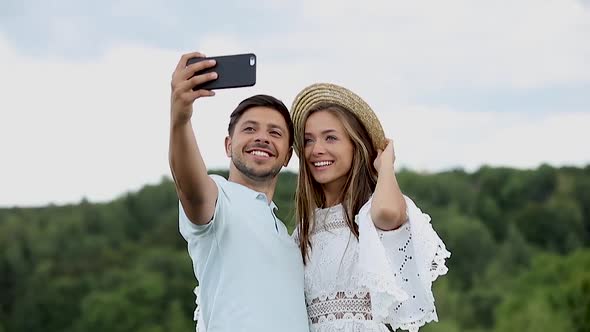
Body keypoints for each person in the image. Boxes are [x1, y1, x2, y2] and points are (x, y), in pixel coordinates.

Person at [290, 83, 450, 332]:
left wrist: (385, 165)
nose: (316, 149)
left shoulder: (369, 213)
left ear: (356, 145)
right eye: (308, 140)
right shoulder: (303, 230)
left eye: (330, 137)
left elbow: (388, 214)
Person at [169, 51, 309, 332]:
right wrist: (180, 119)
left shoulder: (288, 238)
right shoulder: (219, 199)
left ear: (287, 157)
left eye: (275, 133)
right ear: (228, 145)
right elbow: (190, 186)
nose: (262, 137)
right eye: (250, 129)